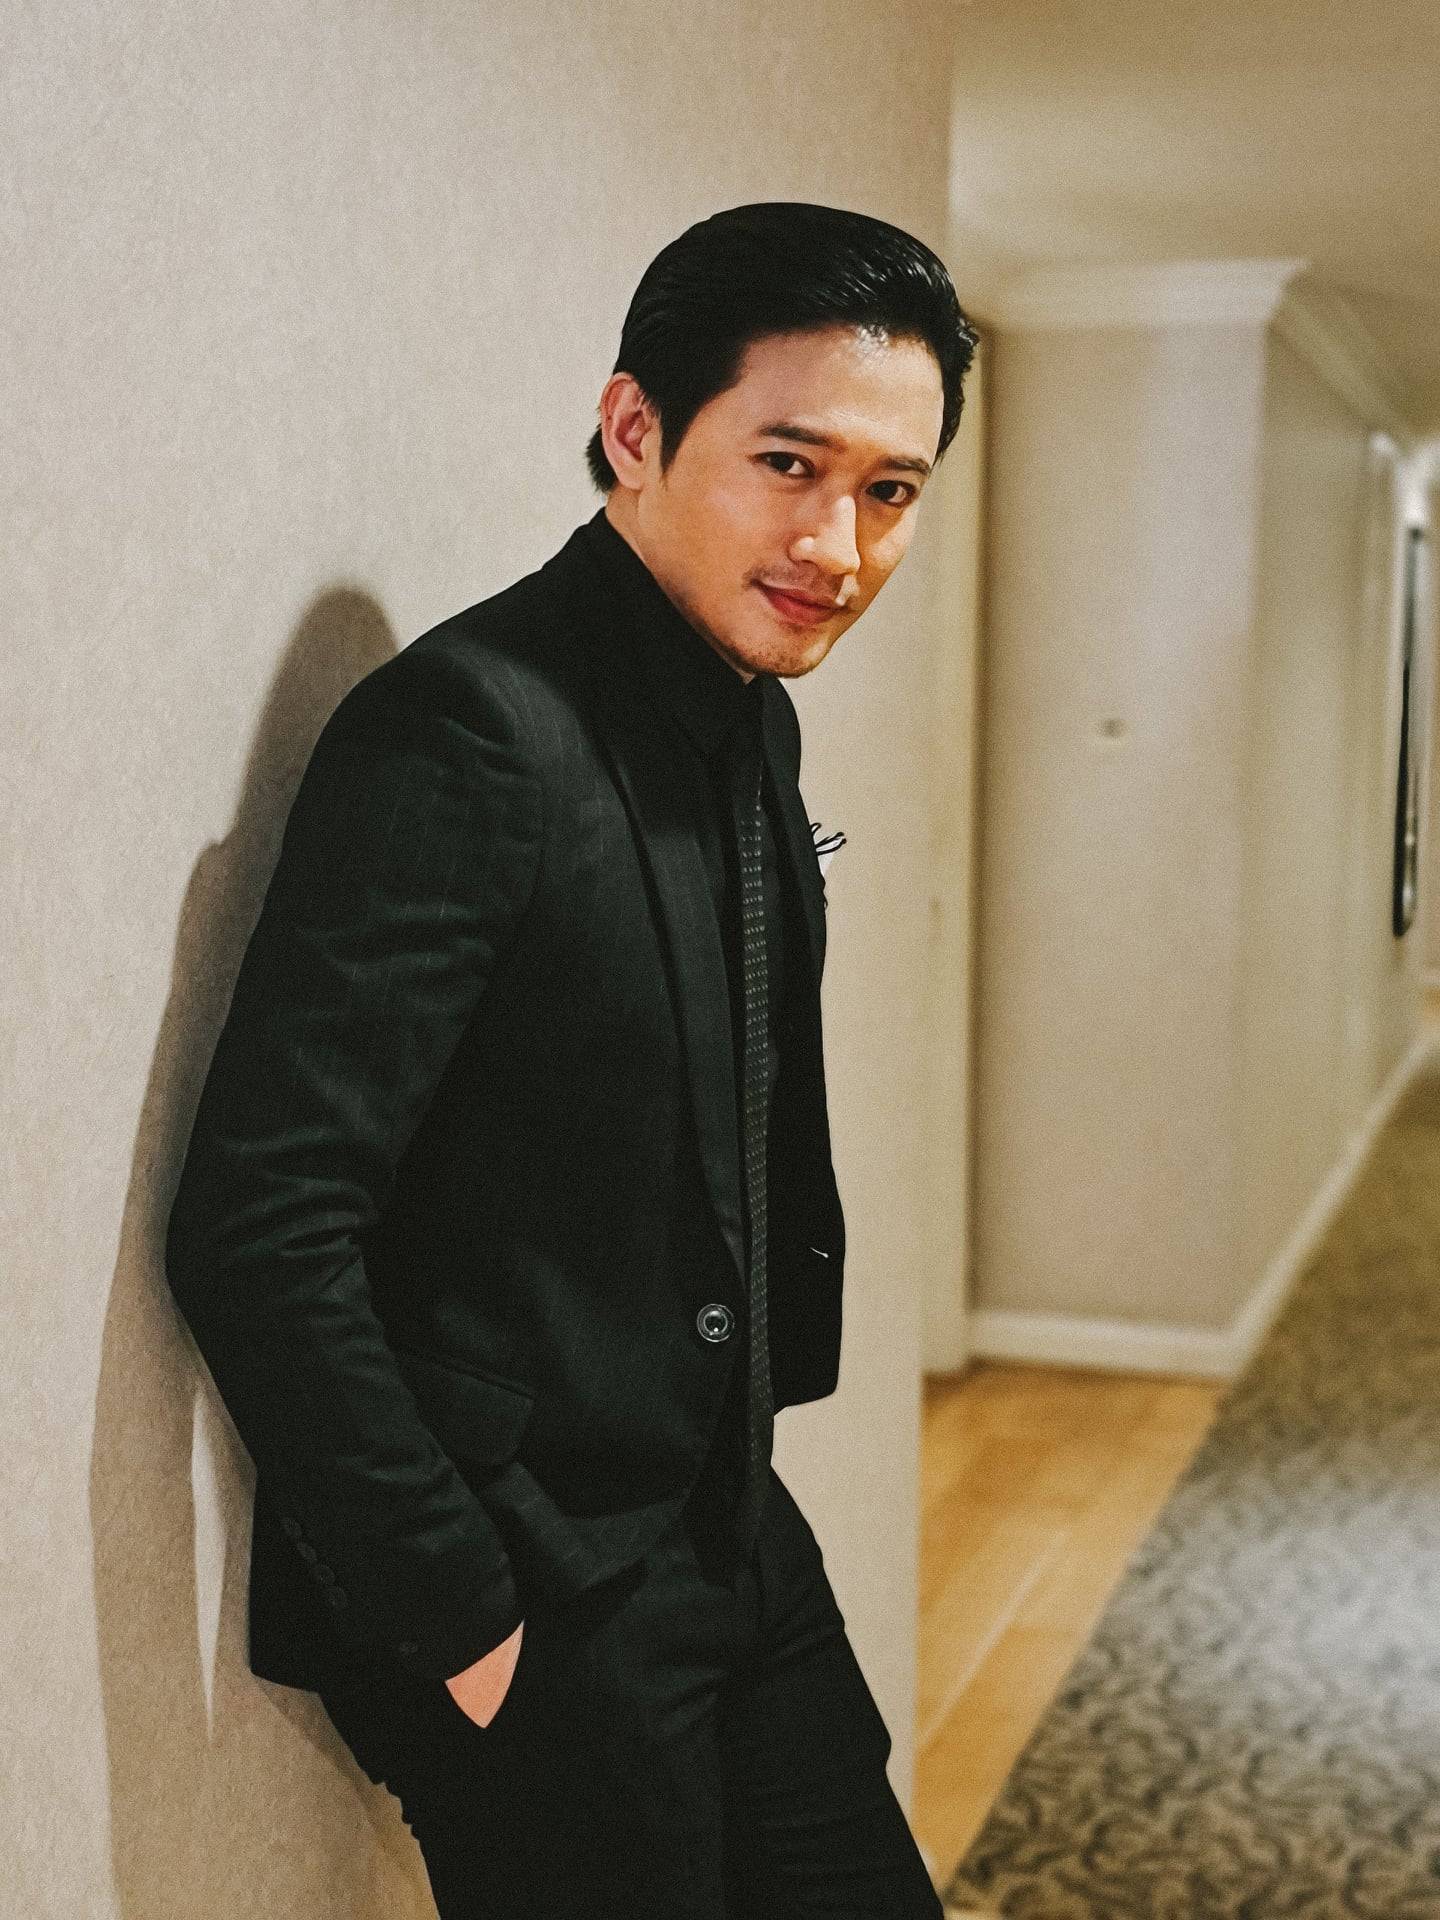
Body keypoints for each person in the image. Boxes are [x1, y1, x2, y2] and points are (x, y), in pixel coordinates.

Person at [164, 198, 977, 1917]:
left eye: (890, 492)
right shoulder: (474, 731)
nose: (836, 544)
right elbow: (261, 1222)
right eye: (789, 463)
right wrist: (456, 1609)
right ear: (634, 429)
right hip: (530, 1582)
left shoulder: (749, 713)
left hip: (720, 1521)